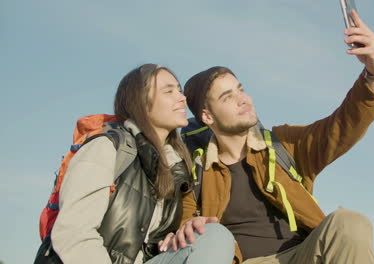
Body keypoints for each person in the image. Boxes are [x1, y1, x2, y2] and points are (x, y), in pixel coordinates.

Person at [162, 10, 374, 264]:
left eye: (240, 89)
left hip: (304, 255)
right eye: (227, 97)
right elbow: (186, 220)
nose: (242, 99)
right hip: (247, 261)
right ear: (207, 116)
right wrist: (190, 227)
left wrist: (373, 74)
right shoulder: (195, 167)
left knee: (350, 223)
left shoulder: (283, 144)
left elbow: (342, 126)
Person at [49, 64, 235, 264]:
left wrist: (173, 238)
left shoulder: (176, 169)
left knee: (213, 234)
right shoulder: (108, 148)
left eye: (180, 91)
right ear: (141, 102)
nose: (182, 99)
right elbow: (73, 233)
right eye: (169, 91)